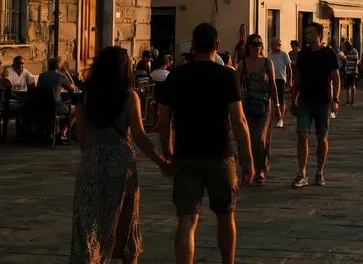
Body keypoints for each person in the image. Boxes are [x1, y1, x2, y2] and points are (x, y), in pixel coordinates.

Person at [157, 23, 254, 264]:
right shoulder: (227, 75)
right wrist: (248, 158)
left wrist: (167, 150)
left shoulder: (176, 75)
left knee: (187, 220)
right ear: (217, 46)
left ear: (192, 46)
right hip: (219, 154)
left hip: (186, 154)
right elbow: (239, 119)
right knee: (225, 215)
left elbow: (163, 118)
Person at [71, 46, 171, 264]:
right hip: (121, 164)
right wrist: (162, 162)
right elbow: (139, 137)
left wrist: (94, 154)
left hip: (91, 162)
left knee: (88, 223)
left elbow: (81, 136)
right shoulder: (129, 97)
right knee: (125, 223)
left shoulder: (85, 98)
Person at [290, 22, 340, 187]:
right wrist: (293, 99)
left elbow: (335, 77)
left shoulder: (328, 53)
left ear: (319, 35)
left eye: (310, 33)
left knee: (322, 137)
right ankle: (302, 173)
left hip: (323, 101)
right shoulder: (303, 54)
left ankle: (319, 171)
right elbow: (297, 78)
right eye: (306, 33)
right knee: (302, 134)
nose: (307, 35)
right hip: (305, 100)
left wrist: (336, 99)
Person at [237, 33, 278, 185]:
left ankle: (260, 170)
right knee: (246, 138)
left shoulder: (268, 63)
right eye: (254, 44)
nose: (258, 47)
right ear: (248, 46)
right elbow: (237, 87)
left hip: (264, 105)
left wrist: (278, 105)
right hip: (247, 105)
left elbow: (273, 85)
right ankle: (247, 169)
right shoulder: (243, 64)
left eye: (260, 44)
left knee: (260, 139)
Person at [38, 56, 78, 143]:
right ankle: (63, 131)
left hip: (41, 107)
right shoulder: (61, 76)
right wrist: (67, 73)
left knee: (60, 104)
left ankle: (56, 130)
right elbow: (72, 89)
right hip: (55, 107)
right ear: (59, 67)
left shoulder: (42, 75)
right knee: (77, 110)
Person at [267, 39, 292, 128]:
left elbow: (289, 68)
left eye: (273, 44)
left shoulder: (284, 54)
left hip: (280, 79)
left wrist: (289, 79)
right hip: (270, 79)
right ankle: (271, 117)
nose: (271, 46)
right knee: (270, 99)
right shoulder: (269, 54)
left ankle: (280, 119)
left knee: (281, 99)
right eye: (272, 44)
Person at [341, 40, 359, 107]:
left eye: (344, 46)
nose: (343, 48)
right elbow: (345, 61)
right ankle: (348, 100)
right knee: (347, 86)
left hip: (352, 71)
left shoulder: (354, 51)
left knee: (352, 86)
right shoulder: (346, 52)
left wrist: (355, 69)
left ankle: (352, 100)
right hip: (347, 70)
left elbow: (356, 61)